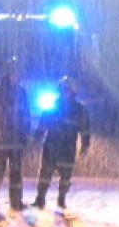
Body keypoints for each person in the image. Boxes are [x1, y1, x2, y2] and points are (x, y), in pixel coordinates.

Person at [32, 76, 90, 209]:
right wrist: (36, 138)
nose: (65, 93)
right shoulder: (52, 107)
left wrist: (85, 144)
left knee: (65, 176)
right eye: (63, 90)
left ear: (73, 91)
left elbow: (85, 129)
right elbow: (43, 124)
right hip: (51, 147)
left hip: (67, 149)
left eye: (68, 90)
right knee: (45, 174)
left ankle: (61, 199)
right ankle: (40, 199)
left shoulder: (80, 110)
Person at [0, 57, 31, 212]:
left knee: (16, 172)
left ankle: (16, 202)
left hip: (15, 140)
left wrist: (25, 135)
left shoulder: (21, 93)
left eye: (17, 71)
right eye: (13, 71)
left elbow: (26, 116)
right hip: (1, 140)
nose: (16, 75)